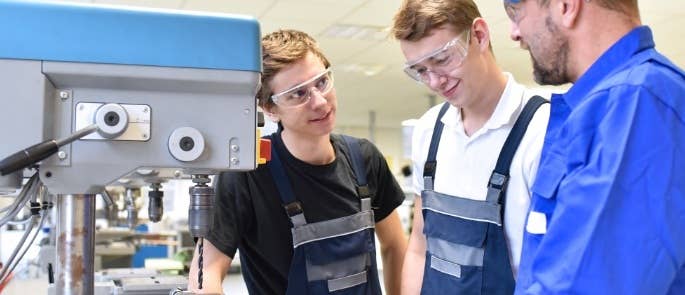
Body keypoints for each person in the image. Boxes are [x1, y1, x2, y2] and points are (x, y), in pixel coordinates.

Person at [187, 29, 407, 294]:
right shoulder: (247, 174)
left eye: (321, 82)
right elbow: (205, 274)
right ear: (269, 109)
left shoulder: (364, 158)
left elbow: (395, 245)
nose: (319, 101)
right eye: (297, 94)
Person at [503, 0, 685, 293]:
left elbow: (585, 285)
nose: (514, 33)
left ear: (566, 6)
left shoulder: (638, 103)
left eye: (516, 13)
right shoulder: (605, 106)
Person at [391, 0, 550, 294]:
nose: (435, 81)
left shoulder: (542, 131)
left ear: (478, 35)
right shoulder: (429, 131)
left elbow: (554, 268)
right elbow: (419, 246)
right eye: (420, 70)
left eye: (442, 59)